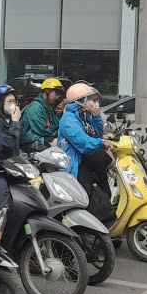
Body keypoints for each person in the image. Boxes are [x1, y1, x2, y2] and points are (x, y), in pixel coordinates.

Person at [57, 82, 113, 222]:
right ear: (81, 101)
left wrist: (96, 116)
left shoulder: (85, 116)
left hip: (90, 160)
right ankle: (84, 227)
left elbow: (98, 133)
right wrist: (101, 143)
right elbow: (83, 143)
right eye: (92, 99)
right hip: (76, 164)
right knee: (85, 196)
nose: (95, 103)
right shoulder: (68, 120)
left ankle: (107, 217)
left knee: (105, 185)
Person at [21, 77, 65, 153]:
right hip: (29, 143)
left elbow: (56, 125)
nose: (58, 97)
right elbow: (43, 130)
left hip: (41, 139)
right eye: (56, 93)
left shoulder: (48, 107)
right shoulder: (35, 107)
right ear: (47, 91)